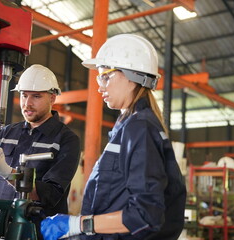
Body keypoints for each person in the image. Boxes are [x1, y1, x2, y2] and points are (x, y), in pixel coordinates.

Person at [40, 34, 187, 240]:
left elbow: (145, 215)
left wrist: (78, 224)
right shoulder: (129, 126)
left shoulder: (139, 128)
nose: (100, 86)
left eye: (105, 76)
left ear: (131, 75)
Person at [0, 64, 81, 236]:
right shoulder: (5, 133)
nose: (27, 104)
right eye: (24, 95)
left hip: (35, 232)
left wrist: (8, 173)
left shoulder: (66, 140)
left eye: (36, 96)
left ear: (52, 98)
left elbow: (50, 194)